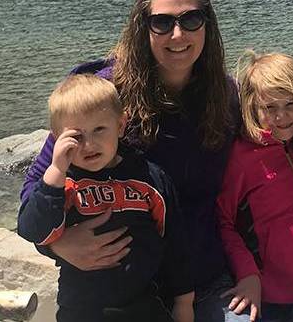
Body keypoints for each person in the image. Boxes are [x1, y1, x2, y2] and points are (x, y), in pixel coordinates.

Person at [21, 0, 250, 322]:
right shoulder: (105, 95)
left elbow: (255, 180)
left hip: (204, 277)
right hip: (122, 290)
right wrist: (55, 244)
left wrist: (253, 271)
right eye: (162, 23)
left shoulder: (226, 96)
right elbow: (38, 185)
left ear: (207, 25)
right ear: (143, 29)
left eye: (191, 19)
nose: (178, 34)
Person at [18, 75, 193, 322]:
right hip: (82, 308)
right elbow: (31, 229)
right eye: (75, 137)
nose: (89, 144)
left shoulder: (150, 178)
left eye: (99, 129)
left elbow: (175, 243)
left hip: (143, 303)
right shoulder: (62, 184)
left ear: (121, 126)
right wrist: (55, 173)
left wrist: (184, 301)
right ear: (57, 138)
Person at [216, 51, 293, 322]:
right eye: (270, 108)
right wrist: (248, 275)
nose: (282, 116)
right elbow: (222, 221)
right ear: (252, 107)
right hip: (264, 293)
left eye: (291, 103)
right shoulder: (243, 157)